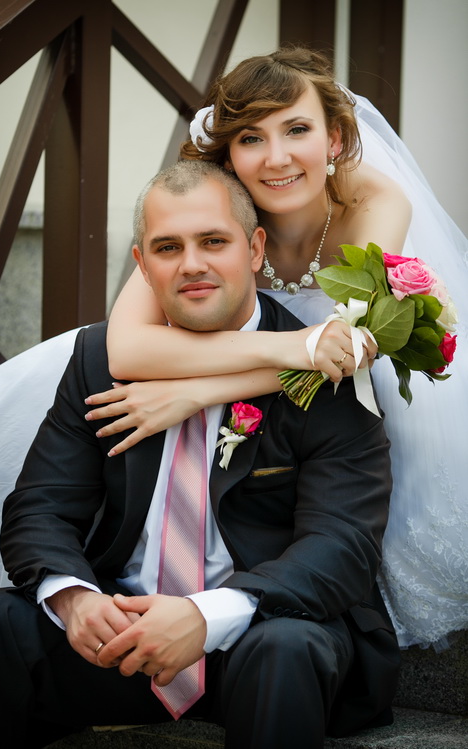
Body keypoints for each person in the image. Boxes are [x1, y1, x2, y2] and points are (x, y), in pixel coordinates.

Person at [0, 161, 399, 749]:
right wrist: (74, 598)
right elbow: (39, 506)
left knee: (289, 647)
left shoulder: (326, 369)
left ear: (255, 249)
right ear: (143, 265)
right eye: (168, 247)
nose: (191, 263)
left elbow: (342, 544)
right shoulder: (98, 360)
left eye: (213, 241)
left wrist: (206, 615)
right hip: (122, 636)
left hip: (257, 630)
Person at [87, 47, 468, 651]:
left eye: (297, 130)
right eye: (251, 138)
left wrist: (194, 393)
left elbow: (348, 355)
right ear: (228, 153)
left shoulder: (377, 203)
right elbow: (127, 348)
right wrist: (297, 345)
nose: (277, 158)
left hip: (346, 401)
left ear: (334, 138)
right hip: (268, 370)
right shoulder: (210, 209)